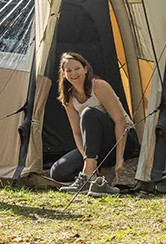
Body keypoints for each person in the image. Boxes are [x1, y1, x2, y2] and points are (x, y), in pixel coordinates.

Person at [50, 52, 138, 196]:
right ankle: (93, 174)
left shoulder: (99, 86)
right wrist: (87, 158)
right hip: (95, 147)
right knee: (57, 172)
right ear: (64, 74)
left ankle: (87, 175)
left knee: (88, 113)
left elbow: (120, 121)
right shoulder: (68, 97)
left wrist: (119, 158)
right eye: (69, 70)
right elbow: (77, 133)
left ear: (85, 69)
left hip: (123, 139)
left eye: (77, 68)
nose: (73, 74)